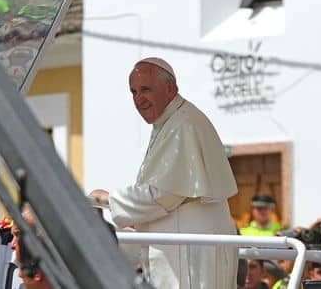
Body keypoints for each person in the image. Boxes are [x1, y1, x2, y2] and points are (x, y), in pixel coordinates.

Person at [90, 57, 238, 289]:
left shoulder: (183, 124)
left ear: (170, 88)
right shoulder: (170, 121)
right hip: (183, 247)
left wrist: (108, 199)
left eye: (146, 89)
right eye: (134, 92)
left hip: (189, 252)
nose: (139, 99)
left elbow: (163, 195)